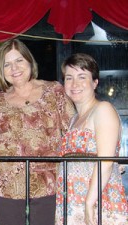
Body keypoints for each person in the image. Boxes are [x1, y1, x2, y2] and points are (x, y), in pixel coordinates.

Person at [0, 38, 75, 225]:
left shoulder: (54, 90)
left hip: (49, 186)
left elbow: (73, 132)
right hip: (6, 189)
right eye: (7, 64)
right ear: (1, 70)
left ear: (29, 61)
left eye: (19, 60)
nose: (14, 68)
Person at [55, 53, 128, 225]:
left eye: (82, 77)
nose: (75, 84)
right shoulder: (73, 120)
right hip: (72, 203)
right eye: (69, 78)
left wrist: (89, 202)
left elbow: (106, 161)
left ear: (95, 82)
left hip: (97, 201)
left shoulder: (103, 109)